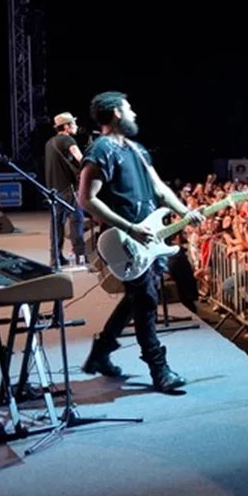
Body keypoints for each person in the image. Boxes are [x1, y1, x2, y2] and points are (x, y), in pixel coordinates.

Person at [78, 92, 203, 392]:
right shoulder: (101, 150)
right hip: (125, 240)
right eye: (129, 109)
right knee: (145, 300)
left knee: (137, 297)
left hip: (149, 238)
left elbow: (159, 189)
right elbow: (87, 199)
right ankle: (159, 370)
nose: (135, 114)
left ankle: (102, 351)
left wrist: (185, 211)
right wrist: (130, 227)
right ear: (117, 114)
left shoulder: (137, 149)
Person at [43, 111, 86, 266]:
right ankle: (81, 256)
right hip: (69, 188)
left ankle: (55, 258)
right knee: (76, 221)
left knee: (56, 225)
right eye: (73, 124)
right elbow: (79, 157)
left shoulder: (49, 143)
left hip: (53, 190)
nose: (76, 126)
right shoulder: (68, 140)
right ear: (67, 127)